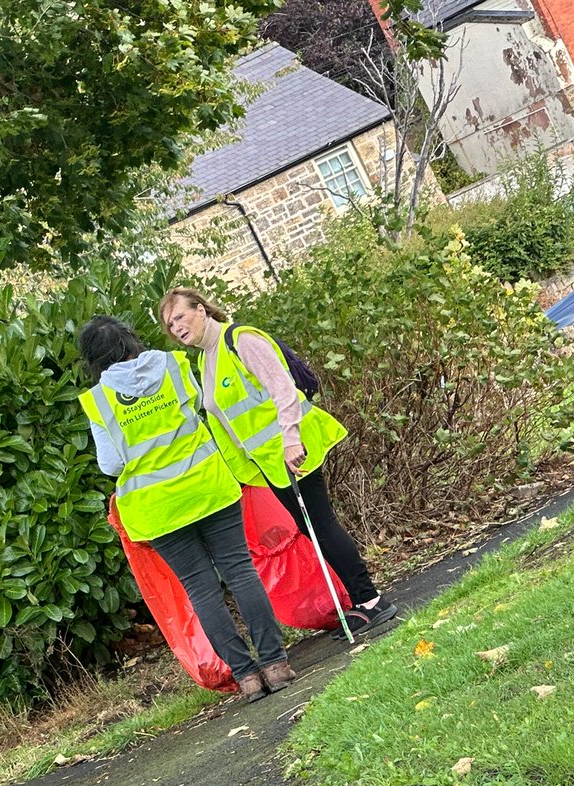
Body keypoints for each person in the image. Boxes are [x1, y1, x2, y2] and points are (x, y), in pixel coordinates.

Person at [158, 287, 397, 637]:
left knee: (321, 525)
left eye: (180, 316)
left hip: (293, 449)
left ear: (201, 309)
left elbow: (282, 387)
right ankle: (362, 601)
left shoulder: (240, 340)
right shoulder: (208, 358)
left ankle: (372, 601)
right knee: (311, 529)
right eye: (169, 324)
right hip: (270, 463)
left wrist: (290, 438)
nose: (176, 326)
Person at [77, 315, 293, 702]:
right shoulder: (174, 365)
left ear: (93, 360)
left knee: (201, 589)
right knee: (240, 571)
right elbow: (200, 410)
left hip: (159, 509)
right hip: (208, 487)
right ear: (131, 341)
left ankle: (246, 677)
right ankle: (276, 664)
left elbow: (110, 464)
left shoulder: (98, 399)